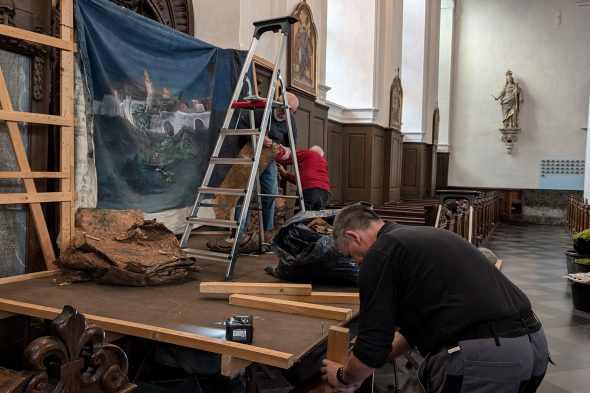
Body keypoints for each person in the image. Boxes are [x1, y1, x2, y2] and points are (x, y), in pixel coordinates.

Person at [321, 203, 549, 393]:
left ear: (353, 236)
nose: (356, 264)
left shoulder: (380, 253)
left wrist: (344, 376)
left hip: (483, 357)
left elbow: (373, 344)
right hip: (532, 345)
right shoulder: (427, 236)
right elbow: (414, 328)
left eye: (351, 255)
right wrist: (361, 369)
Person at [275, 145, 330, 211]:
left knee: (302, 217)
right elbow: (305, 180)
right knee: (317, 219)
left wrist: (281, 149)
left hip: (310, 190)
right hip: (325, 192)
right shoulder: (324, 162)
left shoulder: (307, 154)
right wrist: (285, 173)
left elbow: (282, 158)